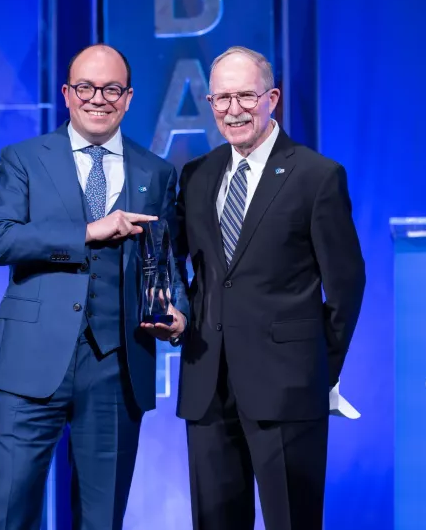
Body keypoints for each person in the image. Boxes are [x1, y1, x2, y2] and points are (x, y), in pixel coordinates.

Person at [0, 44, 188, 530]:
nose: (99, 98)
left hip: (117, 369)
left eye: (112, 88)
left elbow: (168, 258)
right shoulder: (24, 159)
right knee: (9, 514)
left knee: (101, 520)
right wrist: (86, 233)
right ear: (67, 94)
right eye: (87, 87)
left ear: (129, 97)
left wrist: (178, 314)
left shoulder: (156, 172)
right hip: (29, 362)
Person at [173, 46, 366, 530]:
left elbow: (346, 284)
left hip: (287, 387)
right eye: (221, 98)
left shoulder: (316, 176)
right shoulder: (197, 176)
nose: (233, 109)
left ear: (272, 98)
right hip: (207, 385)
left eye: (245, 96)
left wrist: (318, 367)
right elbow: (180, 262)